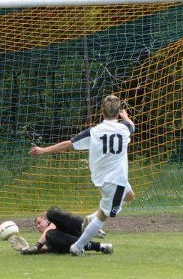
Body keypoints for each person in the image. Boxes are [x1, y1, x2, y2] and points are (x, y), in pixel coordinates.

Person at [29, 94, 134, 256]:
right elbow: (131, 125)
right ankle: (78, 246)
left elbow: (68, 144)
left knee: (129, 196)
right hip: (114, 180)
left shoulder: (94, 132)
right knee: (104, 216)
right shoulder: (124, 128)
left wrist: (44, 150)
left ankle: (90, 219)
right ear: (118, 112)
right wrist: (125, 117)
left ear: (102, 111)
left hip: (105, 178)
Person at [17, 206, 113, 255]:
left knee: (52, 212)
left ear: (46, 219)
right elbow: (49, 248)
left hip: (76, 227)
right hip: (74, 239)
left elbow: (51, 226)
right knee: (51, 237)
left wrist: (37, 245)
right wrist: (26, 249)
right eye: (36, 225)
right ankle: (100, 246)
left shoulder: (53, 222)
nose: (38, 226)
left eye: (39, 222)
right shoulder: (49, 236)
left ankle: (89, 227)